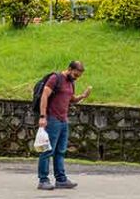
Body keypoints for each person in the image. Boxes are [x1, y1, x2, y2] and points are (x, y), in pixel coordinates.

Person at [37, 61, 92, 191]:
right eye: (75, 74)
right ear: (69, 69)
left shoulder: (71, 82)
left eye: (78, 76)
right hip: (52, 119)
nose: (76, 78)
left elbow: (71, 98)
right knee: (47, 150)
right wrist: (43, 116)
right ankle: (43, 180)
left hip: (63, 121)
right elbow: (44, 95)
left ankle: (61, 179)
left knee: (60, 151)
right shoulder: (55, 78)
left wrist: (83, 96)